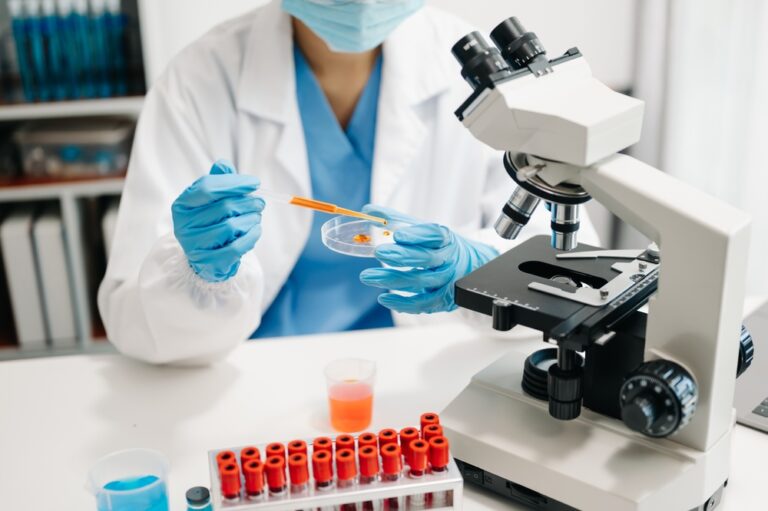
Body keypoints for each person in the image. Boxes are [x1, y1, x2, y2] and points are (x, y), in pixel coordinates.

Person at [98, 0, 598, 364]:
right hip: (260, 373)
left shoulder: (480, 77)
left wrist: (483, 275)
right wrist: (196, 273)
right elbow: (135, 320)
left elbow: (579, 274)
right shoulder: (199, 79)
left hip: (423, 369)